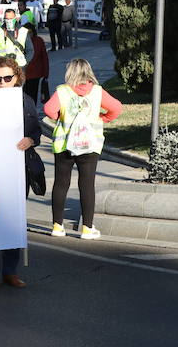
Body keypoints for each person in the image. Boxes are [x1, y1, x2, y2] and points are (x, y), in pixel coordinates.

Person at [0, 56, 41, 289]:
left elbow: (36, 131)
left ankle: (10, 271)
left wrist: (30, 140)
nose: (2, 82)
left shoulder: (25, 101)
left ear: (17, 78)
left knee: (14, 221)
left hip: (17, 169)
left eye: (7, 78)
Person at [45, 59, 122, 240]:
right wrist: (103, 118)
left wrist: (59, 117)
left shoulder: (62, 91)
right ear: (89, 72)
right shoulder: (97, 92)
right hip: (90, 145)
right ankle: (87, 228)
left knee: (61, 184)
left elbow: (49, 109)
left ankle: (57, 226)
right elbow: (117, 108)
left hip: (64, 145)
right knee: (87, 185)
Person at [23, 25, 49, 104]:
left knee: (33, 95)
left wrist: (46, 73)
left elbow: (44, 57)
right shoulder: (20, 41)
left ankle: (32, 111)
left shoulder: (38, 41)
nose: (28, 35)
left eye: (30, 32)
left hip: (35, 75)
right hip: (23, 74)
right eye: (26, 33)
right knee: (23, 95)